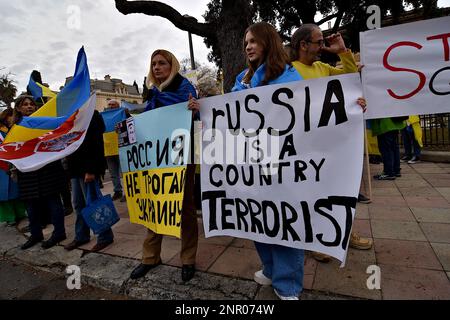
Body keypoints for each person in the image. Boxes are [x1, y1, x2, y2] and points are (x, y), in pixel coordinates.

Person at [229, 22, 305, 300]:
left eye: (253, 41)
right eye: (246, 41)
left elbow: (309, 110)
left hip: (281, 161)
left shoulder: (288, 75)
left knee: (284, 220)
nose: (248, 46)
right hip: (250, 163)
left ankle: (288, 285)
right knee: (258, 218)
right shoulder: (242, 79)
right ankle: (271, 268)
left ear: (268, 42)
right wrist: (202, 108)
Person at [290, 24, 372, 262]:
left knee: (338, 190)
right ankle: (315, 240)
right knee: (311, 194)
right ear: (303, 45)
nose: (322, 46)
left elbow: (350, 81)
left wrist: (342, 52)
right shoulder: (289, 72)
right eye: (318, 42)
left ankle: (344, 232)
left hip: (329, 144)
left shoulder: (322, 67)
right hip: (304, 146)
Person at [130, 49, 199, 282]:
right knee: (155, 203)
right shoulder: (152, 94)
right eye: (154, 64)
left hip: (182, 155)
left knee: (185, 206)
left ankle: (188, 259)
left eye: (162, 63)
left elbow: (196, 119)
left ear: (172, 66)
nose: (157, 67)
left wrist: (193, 110)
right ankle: (150, 257)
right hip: (156, 158)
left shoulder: (186, 89)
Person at [13, 95, 67, 250]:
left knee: (53, 203)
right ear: (18, 108)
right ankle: (36, 234)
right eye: (25, 104)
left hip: (48, 170)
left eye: (32, 104)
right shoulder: (15, 128)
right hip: (28, 173)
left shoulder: (46, 123)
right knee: (31, 206)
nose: (29, 107)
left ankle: (59, 233)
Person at [64, 110, 114, 252]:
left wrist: (91, 170)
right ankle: (81, 236)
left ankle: (105, 237)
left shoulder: (92, 114)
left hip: (87, 168)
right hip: (75, 168)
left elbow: (96, 143)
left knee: (94, 204)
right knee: (78, 205)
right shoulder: (71, 115)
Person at [0, 107, 27, 226]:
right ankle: (10, 217)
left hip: (13, 163)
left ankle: (21, 213)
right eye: (9, 115)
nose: (11, 118)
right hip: (2, 166)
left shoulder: (13, 129)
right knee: (3, 193)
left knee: (16, 191)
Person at [104, 99, 125, 202]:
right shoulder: (103, 117)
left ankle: (127, 192)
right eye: (109, 104)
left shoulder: (122, 114)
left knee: (123, 173)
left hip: (121, 148)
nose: (111, 106)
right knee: (113, 174)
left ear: (118, 106)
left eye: (113, 104)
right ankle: (118, 191)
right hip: (108, 149)